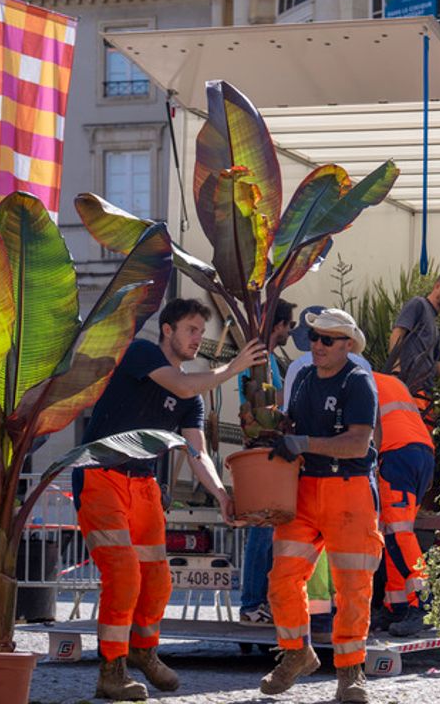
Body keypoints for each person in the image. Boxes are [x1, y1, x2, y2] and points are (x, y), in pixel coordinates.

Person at [75, 298, 266, 701]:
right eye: (191, 329)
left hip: (143, 486)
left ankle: (144, 652)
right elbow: (180, 383)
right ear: (168, 330)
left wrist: (220, 495)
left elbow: (197, 454)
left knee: (158, 580)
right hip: (100, 476)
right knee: (124, 573)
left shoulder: (191, 400)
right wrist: (233, 368)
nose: (198, 338)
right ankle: (111, 671)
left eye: (201, 331)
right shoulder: (142, 352)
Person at [261, 308, 383, 704]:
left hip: (348, 492)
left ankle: (350, 675)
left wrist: (304, 443)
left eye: (327, 339)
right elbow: (293, 428)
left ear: (348, 344)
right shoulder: (304, 379)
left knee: (353, 587)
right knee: (282, 578)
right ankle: (297, 652)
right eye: (313, 337)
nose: (317, 345)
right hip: (304, 490)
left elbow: (357, 443)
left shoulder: (358, 381)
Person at [237, 299, 296, 626]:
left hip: (270, 446)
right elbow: (260, 402)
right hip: (263, 448)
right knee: (262, 528)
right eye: (290, 325)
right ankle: (251, 604)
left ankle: (261, 603)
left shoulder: (267, 358)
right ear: (279, 325)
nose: (290, 331)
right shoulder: (258, 358)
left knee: (270, 529)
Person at [370, 371, 436, 637]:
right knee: (393, 530)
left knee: (397, 533)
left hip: (395, 454)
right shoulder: (391, 381)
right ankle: (396, 606)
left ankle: (424, 603)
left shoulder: (353, 376)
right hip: (422, 454)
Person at [385, 271, 440, 424]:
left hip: (425, 393)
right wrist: (395, 370)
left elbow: (437, 362)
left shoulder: (434, 326)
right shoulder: (418, 304)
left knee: (424, 439)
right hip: (409, 386)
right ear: (437, 286)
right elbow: (398, 332)